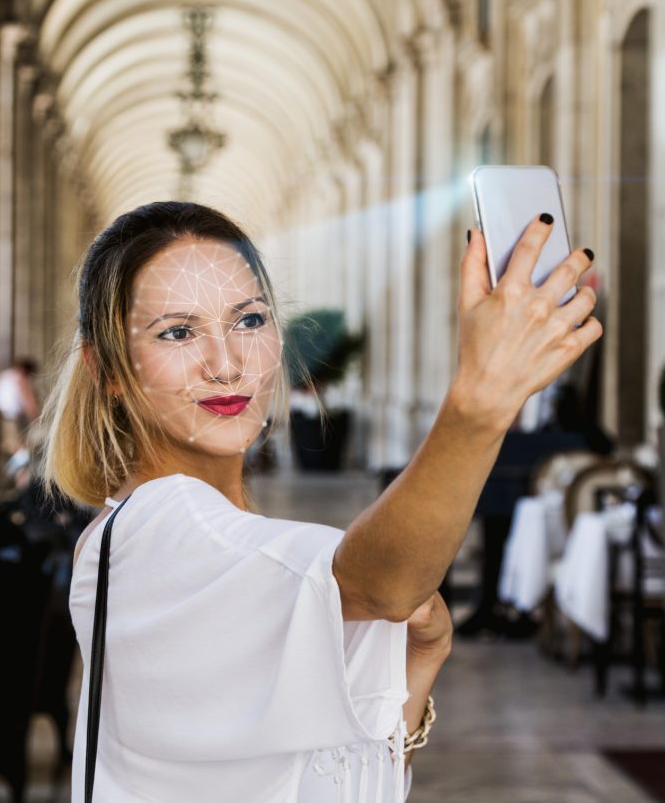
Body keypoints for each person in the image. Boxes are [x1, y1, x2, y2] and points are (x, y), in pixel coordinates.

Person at [41, 202, 601, 801]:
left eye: (248, 320)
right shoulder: (154, 536)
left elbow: (350, 782)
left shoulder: (236, 549)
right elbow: (378, 585)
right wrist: (481, 401)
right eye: (178, 332)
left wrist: (419, 660)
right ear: (107, 370)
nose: (226, 364)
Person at [0, 356, 41, 463]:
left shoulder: (5, 375)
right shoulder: (20, 378)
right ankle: (20, 476)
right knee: (20, 447)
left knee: (11, 446)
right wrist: (36, 415)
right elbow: (27, 399)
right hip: (16, 417)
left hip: (3, 415)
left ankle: (15, 473)